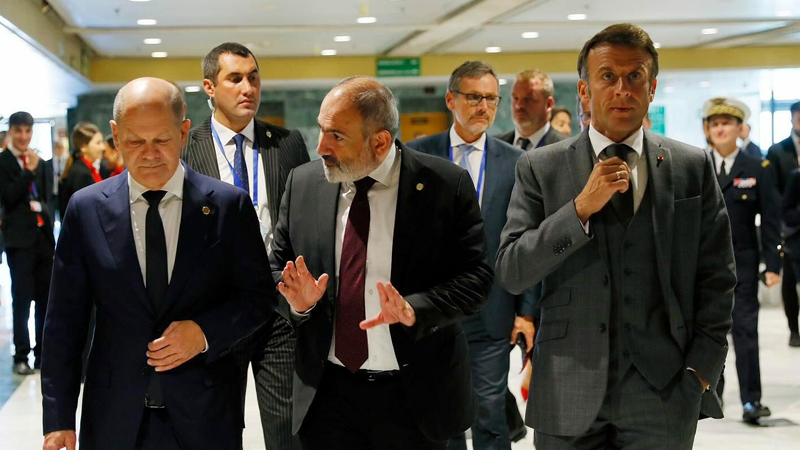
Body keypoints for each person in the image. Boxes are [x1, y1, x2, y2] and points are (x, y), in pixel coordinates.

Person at [496, 24, 736, 449]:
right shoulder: (540, 168)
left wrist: (702, 368)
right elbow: (513, 271)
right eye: (607, 76)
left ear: (652, 88)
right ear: (584, 91)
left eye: (635, 76)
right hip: (566, 388)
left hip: (664, 390)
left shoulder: (690, 166)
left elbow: (718, 276)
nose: (622, 89)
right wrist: (578, 210)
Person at [41, 77, 277, 450]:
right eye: (136, 142)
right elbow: (64, 321)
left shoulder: (228, 206)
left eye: (162, 141)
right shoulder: (86, 210)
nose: (149, 154)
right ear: (116, 136)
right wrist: (58, 419)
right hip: (114, 417)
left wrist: (203, 332)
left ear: (183, 133)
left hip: (206, 415)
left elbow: (258, 298)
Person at [270, 76, 493, 450]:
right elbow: (275, 268)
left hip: (415, 395)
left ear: (380, 142)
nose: (321, 147)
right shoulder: (304, 183)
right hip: (327, 396)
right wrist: (299, 304)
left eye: (337, 136)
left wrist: (415, 308)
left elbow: (477, 278)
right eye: (322, 130)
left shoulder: (444, 185)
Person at [181, 42, 309, 450]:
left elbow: (304, 218)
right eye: (235, 79)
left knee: (288, 431)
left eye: (253, 78)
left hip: (277, 308)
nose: (248, 88)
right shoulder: (186, 147)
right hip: (216, 311)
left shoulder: (287, 143)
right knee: (216, 431)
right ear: (209, 87)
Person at [407, 61, 531, 450]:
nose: (484, 107)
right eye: (474, 97)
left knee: (489, 411)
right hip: (434, 308)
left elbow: (527, 242)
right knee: (444, 415)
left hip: (493, 309)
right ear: (451, 99)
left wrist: (526, 311)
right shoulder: (416, 155)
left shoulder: (516, 162)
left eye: (491, 99)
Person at [704, 97, 780, 423]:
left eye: (727, 123)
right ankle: (710, 396)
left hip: (743, 265)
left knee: (746, 333)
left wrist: (773, 264)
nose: (720, 129)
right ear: (707, 130)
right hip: (704, 268)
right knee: (708, 333)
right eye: (715, 124)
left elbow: (772, 219)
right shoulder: (697, 165)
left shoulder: (757, 168)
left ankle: (751, 400)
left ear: (740, 128)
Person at [0, 111, 55, 375]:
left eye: (28, 131)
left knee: (46, 300)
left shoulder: (40, 162)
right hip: (19, 242)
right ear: (10, 131)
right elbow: (8, 198)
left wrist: (53, 242)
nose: (24, 136)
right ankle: (20, 355)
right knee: (21, 301)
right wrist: (28, 172)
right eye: (19, 131)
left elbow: (46, 201)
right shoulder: (3, 162)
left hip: (43, 240)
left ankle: (42, 354)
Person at [767, 100, 800, 347]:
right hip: (789, 228)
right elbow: (772, 190)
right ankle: (793, 329)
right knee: (789, 281)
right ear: (791, 118)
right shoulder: (778, 151)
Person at [496, 69, 568, 150]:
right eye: (515, 98)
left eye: (529, 99)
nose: (519, 106)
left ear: (549, 104)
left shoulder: (566, 149)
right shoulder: (494, 145)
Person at [59, 122, 105, 214]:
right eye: (98, 143)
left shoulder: (83, 168)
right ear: (83, 147)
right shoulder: (82, 173)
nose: (103, 147)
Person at [44, 140, 68, 222]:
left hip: (63, 195)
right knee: (50, 218)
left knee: (64, 218)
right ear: (54, 149)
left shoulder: (67, 163)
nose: (60, 150)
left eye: (61, 147)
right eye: (58, 147)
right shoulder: (47, 164)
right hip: (51, 194)